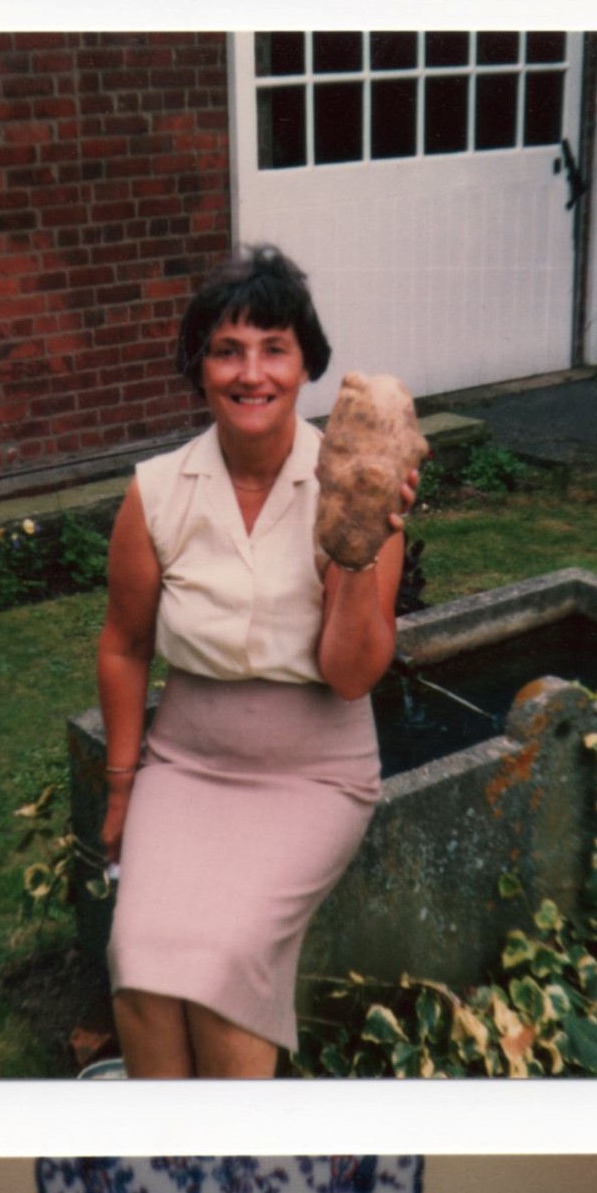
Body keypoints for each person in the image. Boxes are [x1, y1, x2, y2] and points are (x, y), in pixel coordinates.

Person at [98, 244, 421, 1079]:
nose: (251, 374)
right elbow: (124, 645)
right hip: (186, 763)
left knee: (222, 972)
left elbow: (351, 676)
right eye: (227, 350)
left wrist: (359, 546)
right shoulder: (156, 491)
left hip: (311, 773)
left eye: (274, 348)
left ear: (306, 363)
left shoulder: (357, 481)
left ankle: (238, 1152)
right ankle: (167, 1148)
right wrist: (123, 785)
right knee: (139, 966)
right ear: (198, 367)